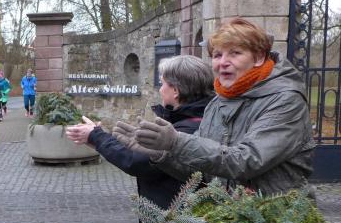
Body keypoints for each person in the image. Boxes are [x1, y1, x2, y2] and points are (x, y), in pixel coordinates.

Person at [119, 17, 314, 196]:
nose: (223, 63)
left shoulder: (286, 100)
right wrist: (161, 154)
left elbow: (247, 160)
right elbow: (201, 172)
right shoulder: (217, 102)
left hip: (278, 218)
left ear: (259, 57)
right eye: (217, 55)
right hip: (226, 218)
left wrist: (176, 143)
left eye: (235, 53)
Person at [66, 55, 214, 210]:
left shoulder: (186, 129)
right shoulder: (199, 120)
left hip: (174, 217)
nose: (160, 89)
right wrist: (96, 139)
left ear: (175, 91)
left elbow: (137, 162)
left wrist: (97, 137)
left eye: (162, 84)